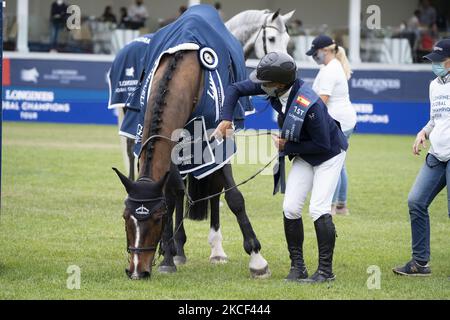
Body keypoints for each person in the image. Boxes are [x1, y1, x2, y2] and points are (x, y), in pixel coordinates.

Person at [213, 52, 348, 283]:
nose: (260, 86)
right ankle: (298, 268)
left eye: (264, 83)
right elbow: (235, 89)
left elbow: (322, 144)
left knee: (318, 209)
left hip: (328, 155)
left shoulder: (311, 104)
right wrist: (226, 118)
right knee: (291, 208)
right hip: (304, 153)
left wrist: (288, 145)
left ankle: (326, 271)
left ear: (278, 84)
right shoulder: (274, 85)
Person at [393, 39, 450, 276]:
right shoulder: (434, 85)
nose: (434, 65)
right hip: (436, 155)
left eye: (439, 60)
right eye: (432, 61)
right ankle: (420, 263)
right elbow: (436, 119)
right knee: (416, 201)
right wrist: (423, 132)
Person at [306, 35, 356, 215]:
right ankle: (340, 205)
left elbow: (322, 101)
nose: (314, 56)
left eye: (315, 53)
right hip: (343, 119)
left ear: (325, 50)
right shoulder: (329, 67)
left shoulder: (329, 71)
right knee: (339, 163)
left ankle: (333, 206)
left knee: (333, 163)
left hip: (339, 121)